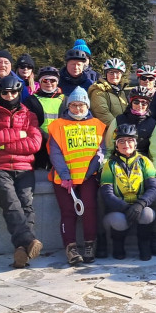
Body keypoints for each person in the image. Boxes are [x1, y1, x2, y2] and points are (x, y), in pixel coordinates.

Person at [0, 74, 44, 268]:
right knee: (11, 201)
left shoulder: (29, 115)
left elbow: (35, 143)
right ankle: (29, 240)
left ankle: (21, 251)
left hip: (24, 168)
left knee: (26, 204)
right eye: (5, 93)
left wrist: (3, 145)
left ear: (19, 92)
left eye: (13, 92)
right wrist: (18, 134)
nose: (9, 96)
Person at [48, 88, 106, 266]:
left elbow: (101, 151)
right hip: (64, 178)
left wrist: (89, 172)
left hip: (88, 176)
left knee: (89, 209)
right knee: (68, 212)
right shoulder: (57, 125)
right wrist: (66, 176)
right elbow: (55, 153)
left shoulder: (98, 124)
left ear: (87, 105)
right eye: (74, 105)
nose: (78, 108)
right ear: (68, 106)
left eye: (81, 105)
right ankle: (71, 248)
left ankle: (89, 245)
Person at [105, 85, 156, 254]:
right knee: (103, 196)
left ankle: (153, 236)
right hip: (118, 165)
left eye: (144, 103)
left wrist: (152, 175)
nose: (140, 105)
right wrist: (109, 168)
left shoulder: (152, 124)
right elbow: (109, 148)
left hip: (143, 167)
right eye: (136, 102)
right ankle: (102, 239)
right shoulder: (118, 120)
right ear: (131, 102)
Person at [100, 123, 156, 260]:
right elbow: (107, 193)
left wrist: (140, 204)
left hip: (139, 206)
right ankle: (118, 244)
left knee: (148, 214)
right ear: (116, 145)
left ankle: (144, 245)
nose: (125, 144)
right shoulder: (109, 164)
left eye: (129, 140)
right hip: (118, 209)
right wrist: (125, 207)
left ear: (135, 143)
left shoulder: (145, 162)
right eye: (121, 141)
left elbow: (153, 187)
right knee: (119, 220)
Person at [24, 66, 63, 170]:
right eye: (45, 80)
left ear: (57, 82)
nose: (49, 83)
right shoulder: (30, 100)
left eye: (53, 80)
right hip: (39, 144)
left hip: (61, 145)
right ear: (40, 82)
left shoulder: (65, 100)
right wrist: (42, 135)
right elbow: (27, 123)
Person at [89, 58, 129, 125]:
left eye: (117, 72)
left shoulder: (120, 91)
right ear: (106, 74)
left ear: (121, 74)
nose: (114, 75)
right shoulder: (98, 90)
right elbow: (102, 114)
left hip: (121, 130)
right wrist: (117, 128)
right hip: (107, 131)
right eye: (111, 72)